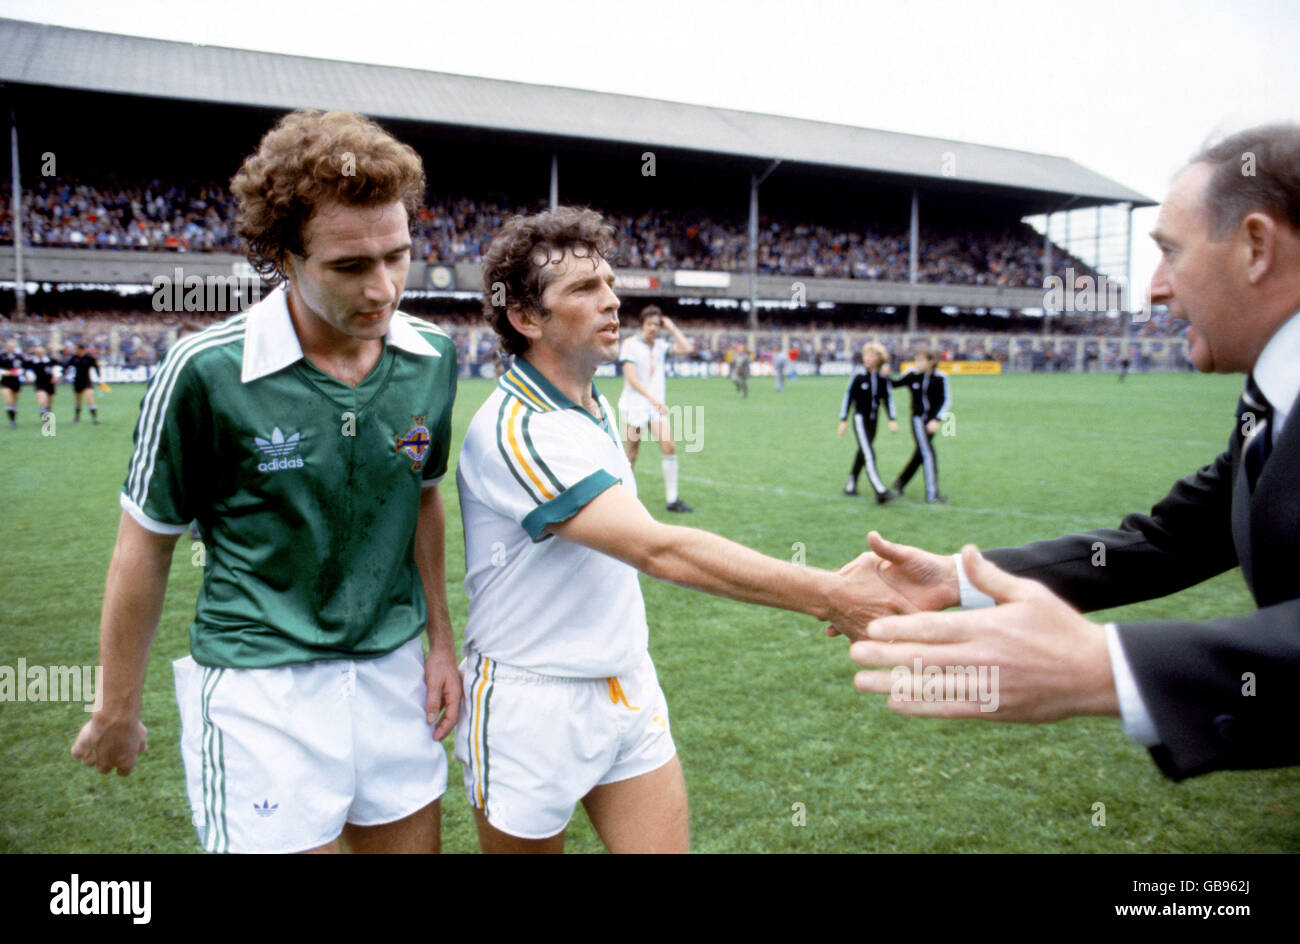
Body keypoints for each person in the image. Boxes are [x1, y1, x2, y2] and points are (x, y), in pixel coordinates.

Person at [849, 123, 1300, 781]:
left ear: (1256, 247)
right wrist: (959, 577)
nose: (1152, 289)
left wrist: (1104, 668)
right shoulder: (1271, 397)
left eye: (1170, 253)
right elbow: (1170, 541)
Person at [457, 206, 911, 853]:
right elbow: (658, 548)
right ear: (526, 318)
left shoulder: (594, 402)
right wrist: (828, 593)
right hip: (534, 702)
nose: (611, 301)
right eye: (584, 290)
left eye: (610, 283)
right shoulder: (519, 427)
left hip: (626, 683)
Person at [70, 109, 461, 853]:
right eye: (350, 266)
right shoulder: (206, 373)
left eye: (398, 255)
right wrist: (115, 706)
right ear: (282, 257)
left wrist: (441, 642)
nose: (384, 288)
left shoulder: (431, 357)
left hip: (393, 678)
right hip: (262, 690)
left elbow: (423, 498)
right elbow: (145, 546)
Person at [618, 304, 695, 513]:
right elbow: (631, 378)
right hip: (635, 405)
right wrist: (652, 399)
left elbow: (687, 348)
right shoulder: (630, 345)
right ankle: (623, 497)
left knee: (669, 446)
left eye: (656, 325)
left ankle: (672, 500)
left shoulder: (660, 346)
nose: (653, 328)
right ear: (642, 325)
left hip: (654, 407)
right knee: (632, 454)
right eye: (649, 324)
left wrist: (671, 327)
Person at [838, 341, 899, 503]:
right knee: (869, 454)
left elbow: (888, 399)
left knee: (863, 452)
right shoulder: (858, 376)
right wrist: (843, 419)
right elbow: (848, 397)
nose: (867, 358)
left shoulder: (883, 379)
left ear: (879, 358)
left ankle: (850, 485)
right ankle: (880, 490)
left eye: (871, 355)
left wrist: (892, 419)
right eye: (866, 355)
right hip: (859, 419)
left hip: (874, 420)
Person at [890, 350, 951, 504]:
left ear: (931, 361)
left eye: (921, 360)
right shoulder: (912, 375)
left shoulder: (941, 378)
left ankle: (900, 483)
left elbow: (946, 401)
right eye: (916, 360)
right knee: (928, 454)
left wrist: (936, 419)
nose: (918, 364)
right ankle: (932, 494)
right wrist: (883, 374)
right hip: (918, 421)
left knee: (920, 454)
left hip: (931, 422)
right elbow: (893, 384)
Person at [63, 342, 108, 424]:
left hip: (87, 381)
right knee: (78, 401)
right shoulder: (74, 358)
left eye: (75, 349)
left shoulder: (89, 358)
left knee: (90, 399)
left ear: (81, 349)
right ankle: (77, 417)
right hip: (77, 381)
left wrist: (99, 378)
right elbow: (66, 366)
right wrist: (63, 373)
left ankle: (95, 418)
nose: (74, 350)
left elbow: (96, 367)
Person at [24, 345, 60, 422]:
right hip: (39, 383)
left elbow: (57, 369)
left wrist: (56, 376)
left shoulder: (51, 361)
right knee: (43, 400)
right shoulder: (32, 362)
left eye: (40, 352)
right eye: (37, 352)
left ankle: (46, 412)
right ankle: (45, 418)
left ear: (44, 352)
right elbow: (28, 371)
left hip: (49, 383)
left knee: (49, 403)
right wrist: (29, 377)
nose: (39, 353)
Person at [1, 339, 22, 428]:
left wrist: (18, 372)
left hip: (15, 381)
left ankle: (13, 419)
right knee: (9, 400)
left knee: (14, 402)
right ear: (6, 347)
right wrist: (5, 372)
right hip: (5, 381)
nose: (11, 348)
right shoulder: (2, 356)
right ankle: (12, 421)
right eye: (10, 346)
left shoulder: (18, 357)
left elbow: (24, 366)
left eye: (13, 347)